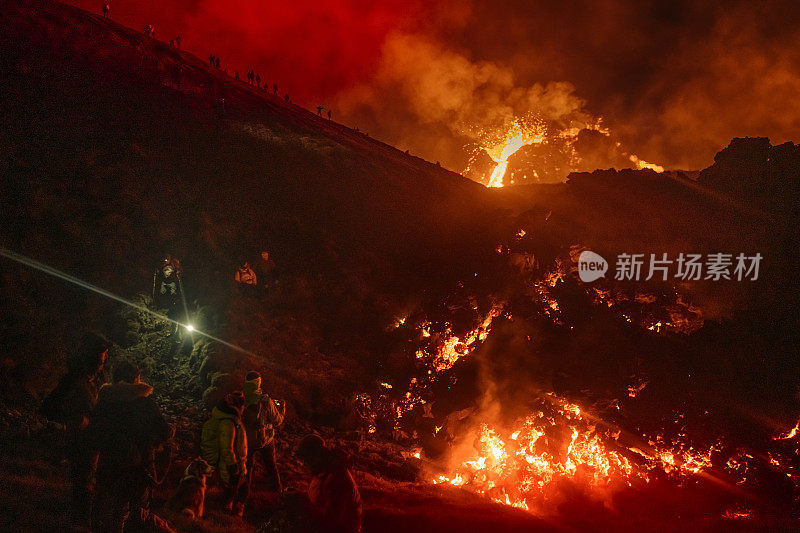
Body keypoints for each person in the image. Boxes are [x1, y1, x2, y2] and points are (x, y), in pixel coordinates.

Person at [89, 359, 171, 532]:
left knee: (112, 508)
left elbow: (94, 430)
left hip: (110, 463)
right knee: (138, 510)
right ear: (136, 378)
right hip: (139, 466)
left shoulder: (105, 400)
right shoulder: (145, 402)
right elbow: (164, 431)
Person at [40, 332, 111, 525]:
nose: (105, 358)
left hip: (91, 442)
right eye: (103, 353)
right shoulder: (75, 379)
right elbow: (48, 408)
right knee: (83, 484)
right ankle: (80, 523)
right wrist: (75, 419)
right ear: (94, 354)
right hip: (80, 442)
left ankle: (81, 521)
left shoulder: (92, 379)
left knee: (87, 483)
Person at [296, 435, 361, 533]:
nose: (304, 464)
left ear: (316, 456)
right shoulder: (323, 471)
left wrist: (303, 507)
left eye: (306, 460)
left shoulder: (337, 479)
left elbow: (330, 521)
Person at [201, 392, 248, 516]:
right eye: (243, 405)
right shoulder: (228, 422)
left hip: (230, 462)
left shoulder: (228, 418)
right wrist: (233, 466)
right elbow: (226, 447)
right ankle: (230, 514)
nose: (244, 408)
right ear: (238, 406)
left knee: (233, 489)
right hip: (229, 464)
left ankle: (230, 511)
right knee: (239, 489)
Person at [242, 371, 285, 496]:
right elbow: (277, 421)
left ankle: (244, 495)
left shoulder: (240, 397)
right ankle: (277, 490)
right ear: (257, 383)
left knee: (247, 467)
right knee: (271, 465)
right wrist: (282, 411)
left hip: (247, 440)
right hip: (265, 439)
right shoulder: (265, 400)